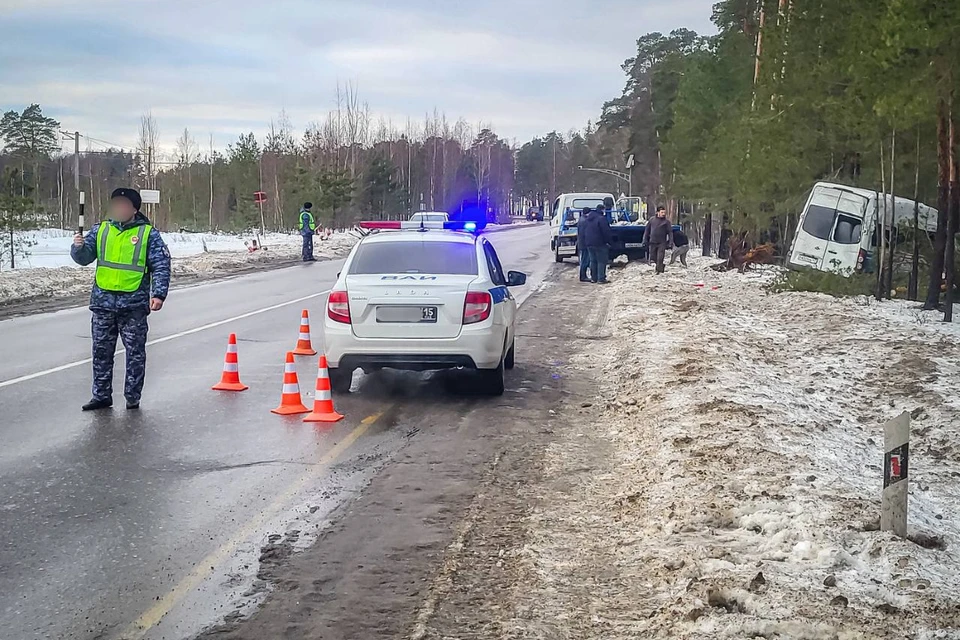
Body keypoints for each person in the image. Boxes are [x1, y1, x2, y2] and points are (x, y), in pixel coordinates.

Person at [71, 188, 171, 411]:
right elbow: (84, 258)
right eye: (116, 203)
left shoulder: (148, 234)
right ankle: (101, 396)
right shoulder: (101, 230)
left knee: (135, 355)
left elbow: (161, 265)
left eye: (124, 204)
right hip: (103, 304)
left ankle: (132, 397)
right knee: (101, 354)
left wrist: (159, 294)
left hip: (133, 306)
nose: (119, 208)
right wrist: (77, 248)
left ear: (134, 209)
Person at [581, 204, 613, 284]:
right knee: (601, 261)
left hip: (589, 243)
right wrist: (609, 242)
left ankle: (593, 278)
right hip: (600, 243)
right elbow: (606, 232)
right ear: (602, 210)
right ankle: (601, 278)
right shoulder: (602, 219)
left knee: (593, 261)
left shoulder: (588, 219)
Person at [643, 206, 673, 274]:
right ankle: (660, 267)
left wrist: (670, 242)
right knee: (653, 257)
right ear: (657, 212)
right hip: (652, 242)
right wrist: (644, 239)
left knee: (660, 257)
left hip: (662, 243)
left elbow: (670, 232)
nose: (663, 214)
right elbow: (647, 230)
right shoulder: (652, 220)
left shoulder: (666, 222)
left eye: (664, 212)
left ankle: (658, 271)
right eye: (662, 212)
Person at [577, 207, 594, 282]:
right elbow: (585, 233)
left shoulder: (581, 219)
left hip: (582, 243)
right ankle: (583, 276)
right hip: (585, 243)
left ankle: (583, 276)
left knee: (584, 259)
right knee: (585, 260)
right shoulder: (585, 221)